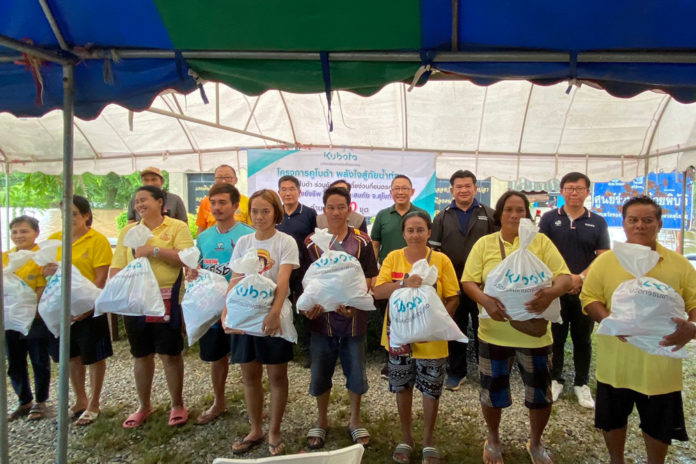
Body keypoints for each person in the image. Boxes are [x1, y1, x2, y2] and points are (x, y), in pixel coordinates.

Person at [581, 195, 696, 464]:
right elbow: (589, 298)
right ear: (623, 224)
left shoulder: (679, 264)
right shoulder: (606, 262)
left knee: (658, 423)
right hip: (616, 363)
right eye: (633, 220)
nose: (640, 226)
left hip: (661, 365)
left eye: (647, 220)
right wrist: (610, 321)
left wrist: (691, 328)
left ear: (659, 223)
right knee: (612, 420)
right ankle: (616, 459)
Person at [461, 191, 572, 464]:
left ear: (527, 214)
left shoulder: (541, 243)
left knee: (539, 396)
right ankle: (493, 439)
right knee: (492, 392)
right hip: (493, 334)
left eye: (520, 210)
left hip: (535, 335)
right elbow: (469, 281)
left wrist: (550, 294)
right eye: (509, 209)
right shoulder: (485, 244)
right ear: (499, 215)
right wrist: (485, 300)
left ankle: (535, 443)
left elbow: (566, 278)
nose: (514, 215)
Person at [373, 211, 459, 464]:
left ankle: (428, 441)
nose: (415, 234)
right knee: (403, 387)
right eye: (410, 230)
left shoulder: (441, 261)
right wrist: (404, 284)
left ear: (429, 232)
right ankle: (406, 438)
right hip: (399, 339)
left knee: (431, 390)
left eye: (420, 229)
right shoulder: (393, 257)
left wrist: (440, 322)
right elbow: (378, 291)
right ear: (403, 233)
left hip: (432, 341)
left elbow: (453, 296)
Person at [221, 189, 299, 457]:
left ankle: (275, 430)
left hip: (272, 315)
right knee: (249, 375)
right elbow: (235, 279)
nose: (259, 216)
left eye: (266, 211)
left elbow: (283, 281)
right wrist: (225, 312)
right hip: (244, 318)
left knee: (277, 375)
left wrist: (275, 313)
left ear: (275, 212)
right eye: (255, 211)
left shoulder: (285, 242)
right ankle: (255, 429)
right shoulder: (243, 242)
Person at [302, 186, 378, 449]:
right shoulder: (312, 242)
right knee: (320, 373)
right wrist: (306, 306)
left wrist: (355, 305)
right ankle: (321, 420)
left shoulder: (362, 241)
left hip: (353, 321)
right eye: (330, 207)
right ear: (324, 210)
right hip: (320, 321)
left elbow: (369, 277)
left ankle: (355, 421)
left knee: (356, 373)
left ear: (350, 209)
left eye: (341, 207)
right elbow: (304, 281)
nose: (335, 212)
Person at [111, 185, 194, 428]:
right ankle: (143, 405)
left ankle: (177, 404)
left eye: (144, 200)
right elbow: (117, 266)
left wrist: (154, 250)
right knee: (141, 354)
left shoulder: (177, 227)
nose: (139, 205)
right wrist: (114, 289)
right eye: (137, 202)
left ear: (161, 203)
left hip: (166, 299)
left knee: (170, 353)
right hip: (134, 302)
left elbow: (187, 257)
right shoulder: (128, 231)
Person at [539, 172, 609, 408]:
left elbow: (603, 257)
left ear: (587, 192)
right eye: (569, 188)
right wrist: (563, 280)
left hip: (585, 289)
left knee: (583, 339)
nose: (574, 193)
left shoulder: (597, 221)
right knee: (556, 337)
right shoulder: (549, 218)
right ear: (562, 191)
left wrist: (579, 278)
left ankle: (581, 384)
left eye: (579, 188)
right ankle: (555, 379)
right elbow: (542, 252)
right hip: (557, 288)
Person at [185, 183, 254, 425]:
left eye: (223, 202)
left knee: (247, 359)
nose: (217, 207)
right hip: (212, 309)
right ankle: (219, 401)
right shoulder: (204, 237)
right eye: (213, 203)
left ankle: (253, 405)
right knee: (217, 358)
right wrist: (191, 273)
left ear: (235, 206)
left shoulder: (248, 235)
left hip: (241, 306)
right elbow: (198, 268)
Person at [43, 196, 114, 426]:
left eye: (74, 213)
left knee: (94, 356)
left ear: (86, 215)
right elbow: (44, 272)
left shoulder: (97, 240)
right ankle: (80, 399)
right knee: (71, 356)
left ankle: (94, 402)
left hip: (90, 308)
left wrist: (87, 306)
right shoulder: (54, 241)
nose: (69, 218)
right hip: (63, 310)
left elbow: (100, 278)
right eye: (65, 213)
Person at [429, 169, 496, 391]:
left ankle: (486, 371)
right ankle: (457, 372)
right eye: (459, 186)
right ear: (452, 190)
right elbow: (434, 253)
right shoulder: (441, 217)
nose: (464, 190)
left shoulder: (489, 213)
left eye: (468, 186)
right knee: (454, 326)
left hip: (482, 285)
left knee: (483, 327)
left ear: (476, 188)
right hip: (453, 284)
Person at [371, 175, 428, 377]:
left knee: (416, 315)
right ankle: (393, 358)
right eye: (397, 188)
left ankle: (419, 356)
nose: (401, 192)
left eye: (405, 188)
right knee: (391, 317)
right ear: (391, 192)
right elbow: (375, 244)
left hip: (417, 275)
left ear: (412, 192)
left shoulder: (420, 214)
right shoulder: (382, 215)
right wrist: (373, 273)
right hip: (391, 274)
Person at [3, 216, 55, 421]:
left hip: (35, 318)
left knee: (39, 360)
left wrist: (34, 309)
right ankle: (24, 400)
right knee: (14, 361)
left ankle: (41, 401)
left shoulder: (41, 257)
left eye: (24, 231)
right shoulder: (5, 257)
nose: (19, 236)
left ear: (36, 233)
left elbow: (45, 285)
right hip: (10, 320)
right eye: (15, 232)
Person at [276, 175, 317, 366]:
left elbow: (315, 243)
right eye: (284, 189)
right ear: (279, 193)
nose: (288, 193)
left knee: (306, 308)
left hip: (303, 270)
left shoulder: (309, 214)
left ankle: (309, 350)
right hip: (279, 271)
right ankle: (284, 347)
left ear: (299, 192)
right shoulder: (275, 213)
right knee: (281, 306)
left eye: (291, 189)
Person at [195, 164, 251, 234]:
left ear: (236, 180)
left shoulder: (247, 202)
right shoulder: (205, 202)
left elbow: (253, 227)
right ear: (215, 180)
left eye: (228, 177)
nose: (223, 181)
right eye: (219, 177)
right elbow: (201, 228)